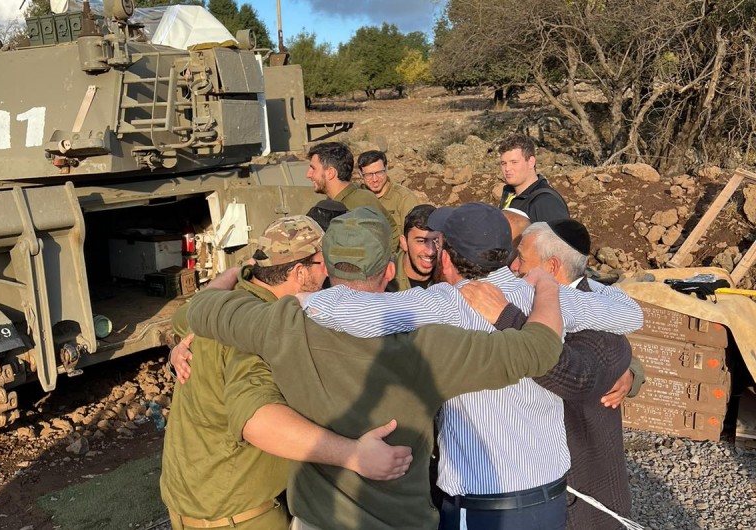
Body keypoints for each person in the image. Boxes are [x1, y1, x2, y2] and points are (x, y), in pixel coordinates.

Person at [185, 207, 567, 530]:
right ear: (388, 270)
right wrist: (546, 289)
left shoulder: (281, 324)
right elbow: (540, 350)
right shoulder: (429, 345)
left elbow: (201, 310)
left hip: (315, 519)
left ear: (327, 269)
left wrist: (233, 274)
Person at [302, 202, 643, 530]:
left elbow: (329, 310)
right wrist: (551, 285)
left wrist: (301, 296)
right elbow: (629, 312)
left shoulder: (446, 304)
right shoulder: (548, 299)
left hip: (483, 503)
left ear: (447, 258)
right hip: (550, 495)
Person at [161, 215, 412, 530]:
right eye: (324, 263)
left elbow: (184, 317)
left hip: (190, 502)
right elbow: (258, 421)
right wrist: (354, 455)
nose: (331, 272)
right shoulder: (258, 331)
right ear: (299, 272)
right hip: (240, 515)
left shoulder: (225, 304)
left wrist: (237, 271)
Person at [504, 219, 635, 529]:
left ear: (551, 267)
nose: (512, 266)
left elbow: (570, 373)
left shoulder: (598, 316)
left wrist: (501, 316)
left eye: (521, 258)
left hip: (585, 494)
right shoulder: (548, 300)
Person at [306, 142, 400, 247]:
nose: (308, 174)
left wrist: (384, 261)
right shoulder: (332, 202)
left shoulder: (361, 201)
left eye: (313, 168)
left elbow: (391, 233)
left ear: (330, 173)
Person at [497, 133, 569, 222]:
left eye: (514, 162)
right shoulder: (509, 194)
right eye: (504, 163)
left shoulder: (546, 202)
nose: (507, 169)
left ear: (531, 162)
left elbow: (559, 235)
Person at [357, 150, 420, 232]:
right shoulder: (357, 197)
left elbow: (415, 234)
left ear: (386, 169)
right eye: (369, 175)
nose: (375, 179)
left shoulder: (404, 198)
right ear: (360, 174)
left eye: (379, 172)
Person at [387, 204, 441, 292]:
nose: (431, 251)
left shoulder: (450, 277)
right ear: (404, 243)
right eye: (421, 241)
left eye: (436, 241)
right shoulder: (383, 278)